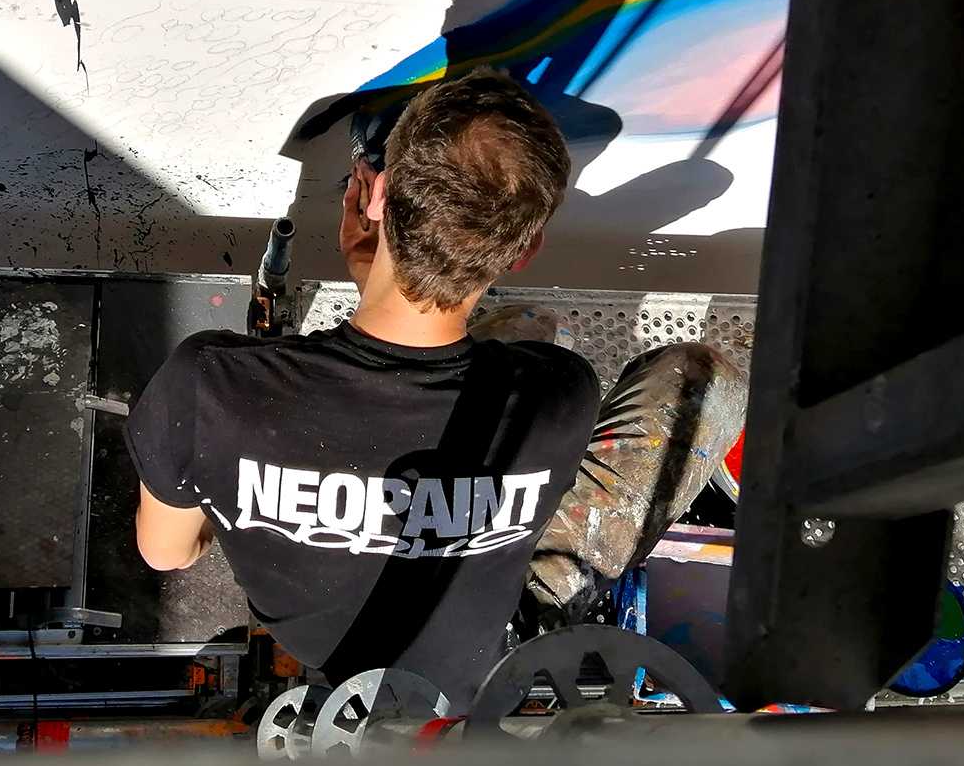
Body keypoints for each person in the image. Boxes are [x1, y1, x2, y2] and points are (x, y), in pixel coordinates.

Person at [127, 68, 745, 710]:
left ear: (376, 196)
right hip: (499, 637)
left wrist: (248, 497)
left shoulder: (208, 386)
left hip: (346, 648)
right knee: (688, 373)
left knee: (531, 326)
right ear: (525, 250)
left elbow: (166, 553)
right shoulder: (556, 388)